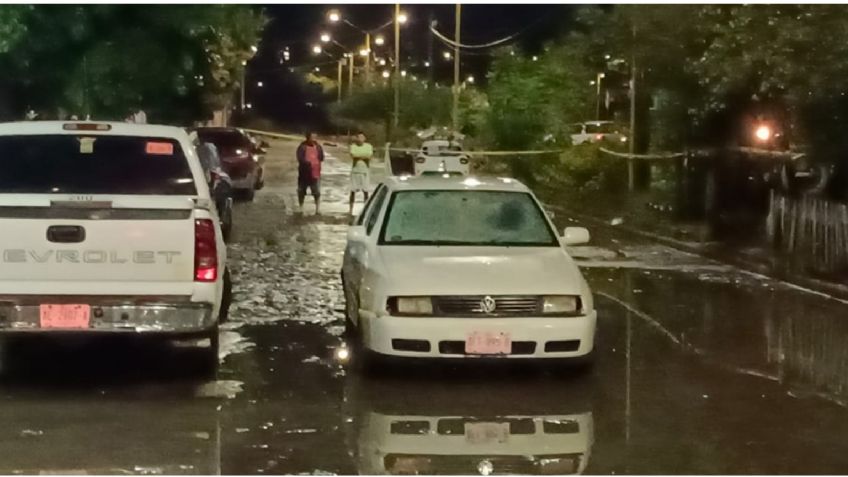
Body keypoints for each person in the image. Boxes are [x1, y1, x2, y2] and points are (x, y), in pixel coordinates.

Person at [296, 132, 324, 214]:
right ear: (308, 138)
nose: (314, 139)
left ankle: (317, 209)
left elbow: (321, 157)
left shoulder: (318, 147)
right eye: (312, 137)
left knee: (317, 192)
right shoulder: (302, 147)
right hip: (304, 173)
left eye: (315, 137)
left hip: (315, 173)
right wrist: (308, 163)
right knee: (301, 191)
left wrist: (316, 163)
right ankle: (301, 208)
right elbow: (300, 158)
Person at [348, 131, 373, 215]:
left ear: (365, 138)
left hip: (365, 171)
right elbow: (353, 155)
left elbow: (369, 156)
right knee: (352, 191)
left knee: (366, 191)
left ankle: (366, 209)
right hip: (355, 171)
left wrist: (359, 156)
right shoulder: (353, 146)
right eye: (359, 137)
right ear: (356, 138)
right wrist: (363, 156)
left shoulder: (369, 146)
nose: (360, 139)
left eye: (362, 137)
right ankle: (350, 210)